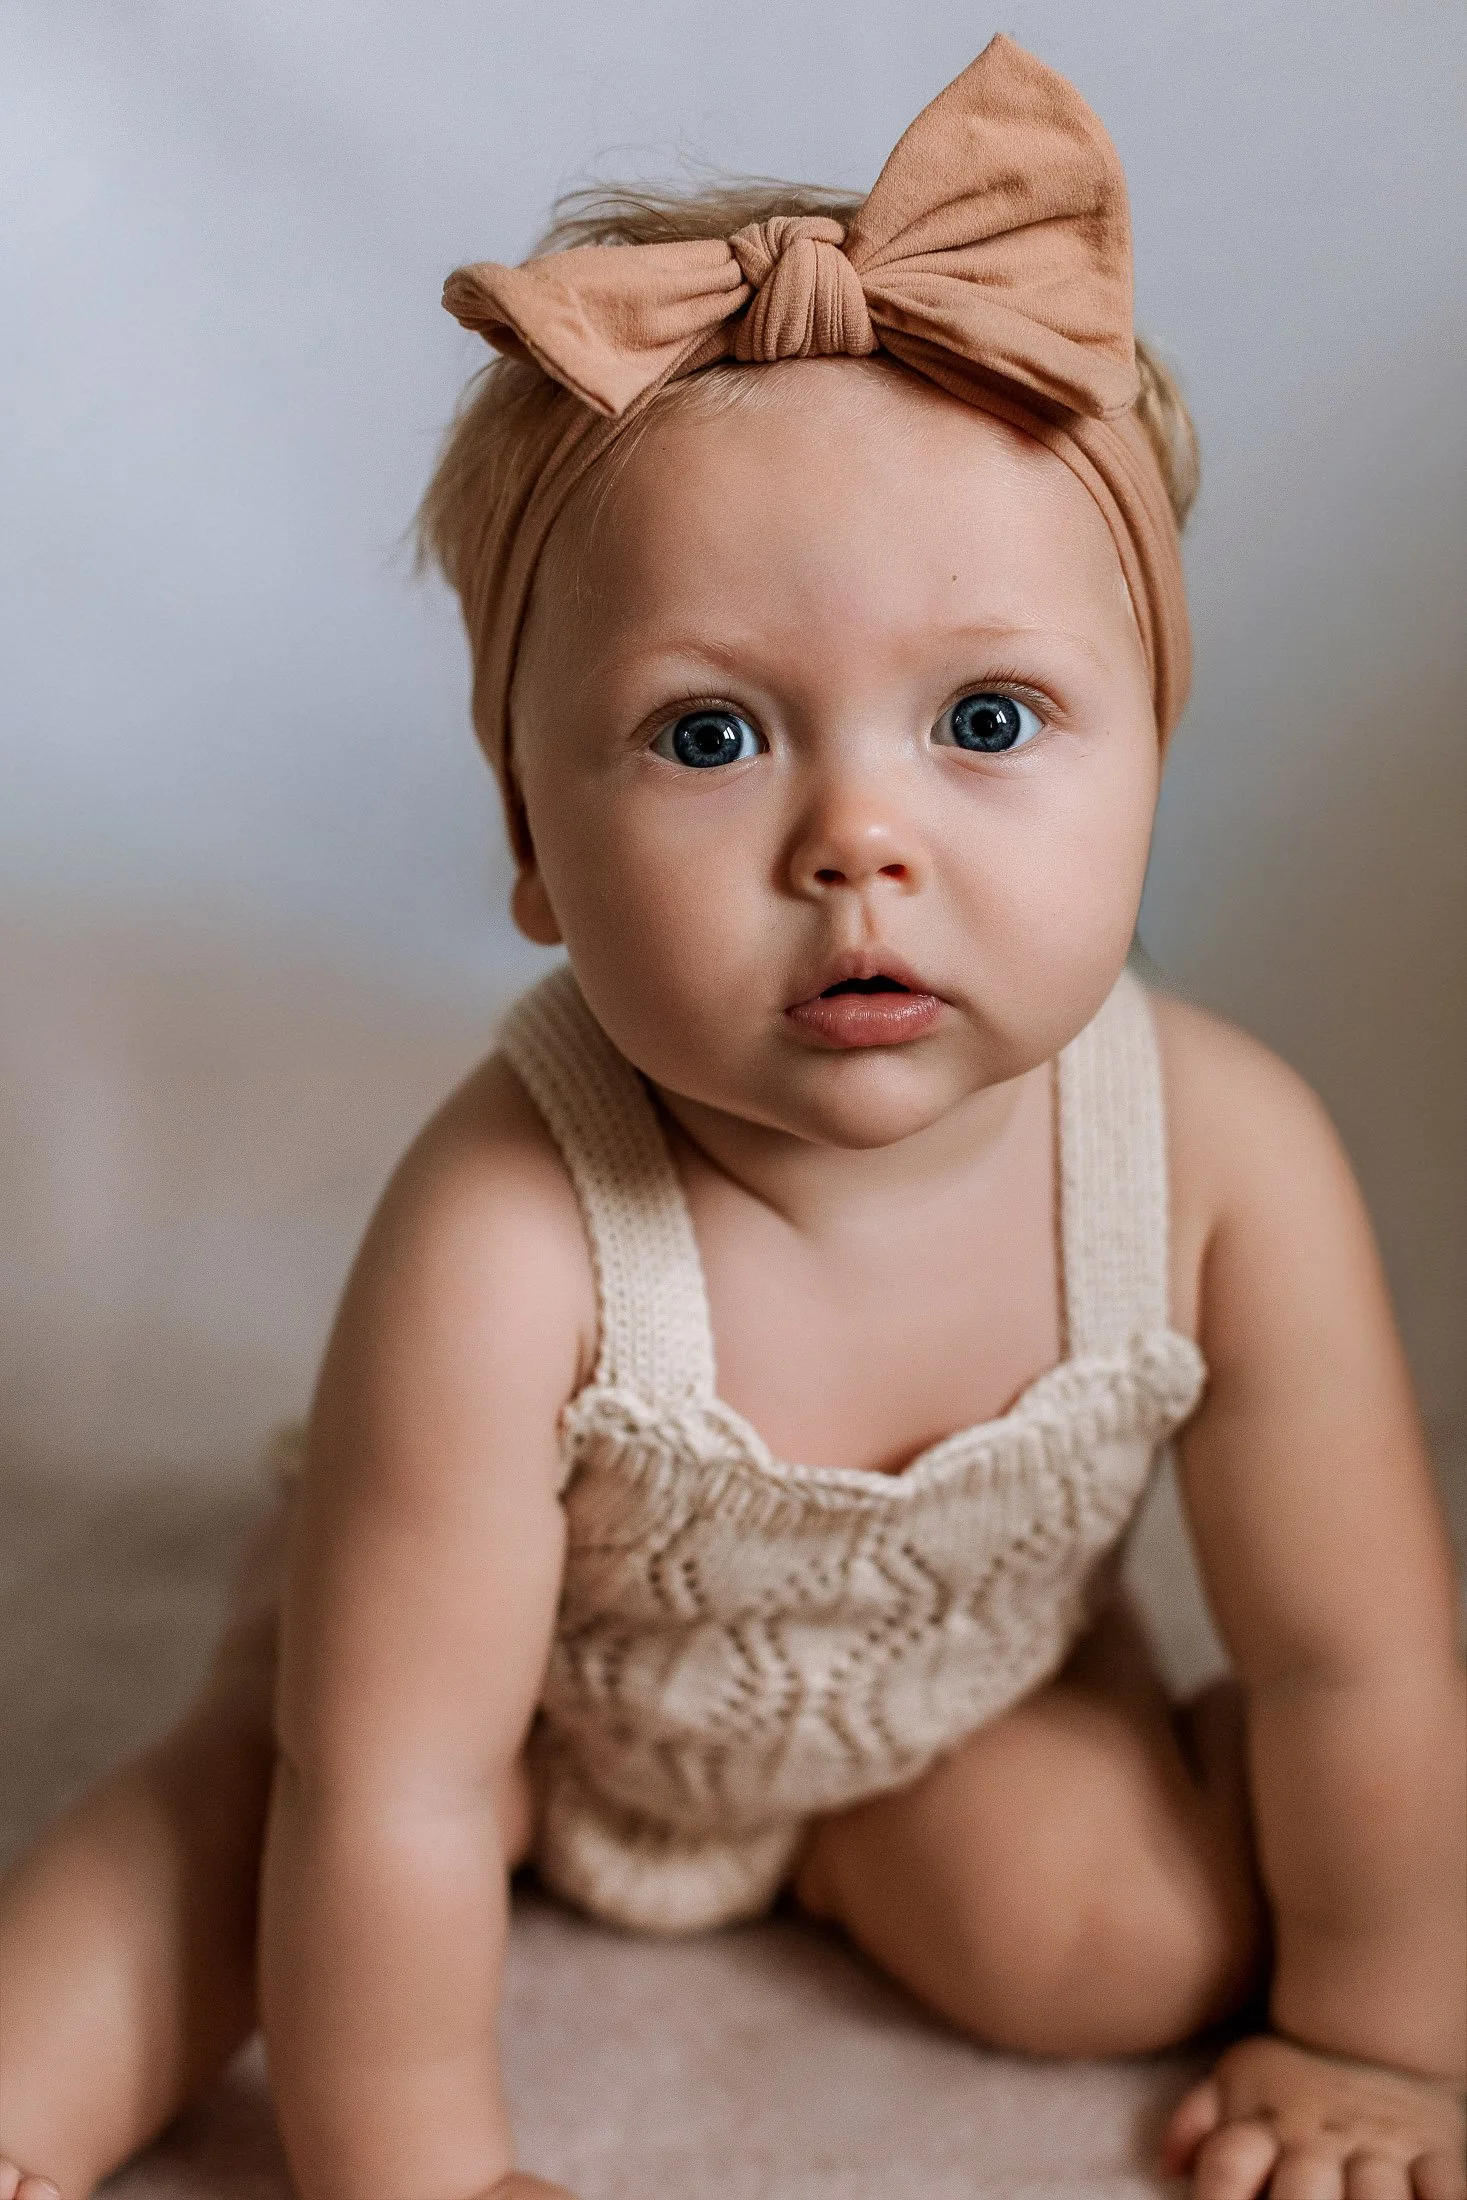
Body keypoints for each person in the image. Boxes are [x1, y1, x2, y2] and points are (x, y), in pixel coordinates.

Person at [1, 35, 1462, 2200]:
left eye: (985, 717)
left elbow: (1348, 1647)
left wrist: (1375, 2037)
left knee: (1134, 1940)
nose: (855, 837)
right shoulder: (511, 1221)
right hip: (502, 1723)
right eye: (705, 733)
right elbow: (394, 1772)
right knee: (233, 1827)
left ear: (1150, 752)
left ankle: (884, 1867)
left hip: (937, 1718)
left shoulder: (1222, 1158)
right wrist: (408, 2156)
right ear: (526, 835)